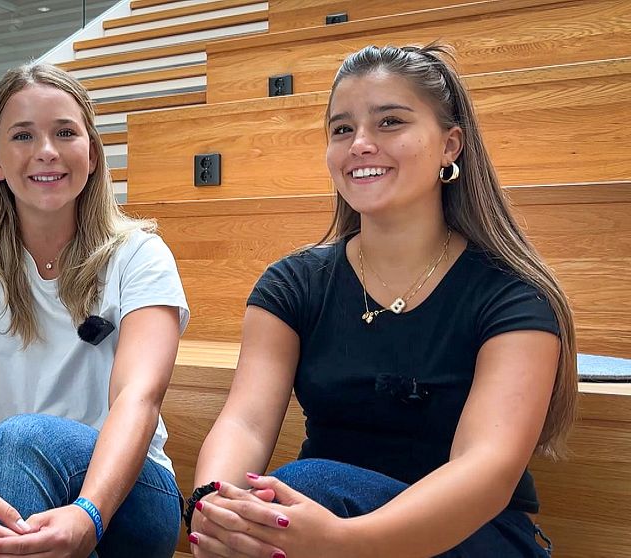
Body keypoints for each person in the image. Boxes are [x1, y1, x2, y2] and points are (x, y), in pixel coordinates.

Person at [185, 44, 577, 558]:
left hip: (469, 538)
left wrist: (345, 543)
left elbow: (487, 470)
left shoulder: (512, 296)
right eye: (342, 129)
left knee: (306, 485)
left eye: (390, 121)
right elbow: (245, 421)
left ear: (450, 145)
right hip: (318, 527)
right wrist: (214, 508)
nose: (360, 144)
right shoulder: (291, 285)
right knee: (278, 502)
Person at [0, 62, 189, 558]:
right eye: (22, 136)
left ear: (93, 152)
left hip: (124, 495)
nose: (46, 152)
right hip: (0, 480)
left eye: (65, 132)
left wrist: (90, 512)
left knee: (22, 437)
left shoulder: (141, 255)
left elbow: (138, 397)